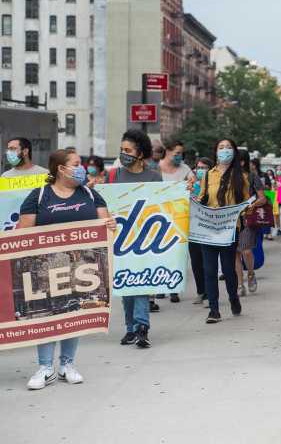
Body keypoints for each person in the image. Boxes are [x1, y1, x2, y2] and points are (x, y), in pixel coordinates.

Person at [18, 148, 116, 390]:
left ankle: (67, 365)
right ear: (61, 169)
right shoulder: (39, 196)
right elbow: (22, 232)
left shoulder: (91, 195)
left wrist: (110, 225)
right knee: (46, 314)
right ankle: (45, 368)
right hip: (44, 268)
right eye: (76, 163)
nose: (81, 167)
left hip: (82, 267)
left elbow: (106, 225)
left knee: (73, 313)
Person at [108, 129, 163, 347]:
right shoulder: (114, 176)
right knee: (126, 286)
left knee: (141, 283)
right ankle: (130, 328)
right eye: (122, 150)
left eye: (128, 150)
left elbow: (163, 205)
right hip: (121, 238)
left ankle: (142, 327)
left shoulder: (154, 177)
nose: (124, 154)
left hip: (146, 238)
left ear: (140, 153)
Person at [197, 139, 255, 323]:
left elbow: (246, 203)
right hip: (208, 229)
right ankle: (214, 309)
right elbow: (202, 198)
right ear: (215, 152)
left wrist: (248, 209)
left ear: (234, 152)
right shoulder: (207, 176)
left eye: (228, 148)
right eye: (221, 147)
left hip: (230, 230)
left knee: (229, 270)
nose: (224, 151)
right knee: (209, 270)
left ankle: (233, 298)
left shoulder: (242, 177)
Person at [158, 139, 194, 303]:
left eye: (181, 153)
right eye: (177, 153)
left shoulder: (185, 169)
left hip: (178, 217)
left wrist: (192, 185)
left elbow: (194, 184)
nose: (180, 156)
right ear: (167, 151)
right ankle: (159, 286)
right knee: (159, 252)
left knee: (176, 254)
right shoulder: (155, 168)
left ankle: (173, 287)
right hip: (158, 216)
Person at [235, 151, 266, 297]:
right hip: (231, 219)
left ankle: (251, 274)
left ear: (242, 162)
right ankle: (240, 285)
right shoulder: (227, 177)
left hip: (248, 218)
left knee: (246, 250)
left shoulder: (253, 176)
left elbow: (263, 198)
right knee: (235, 253)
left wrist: (251, 205)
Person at [190, 157, 214, 305]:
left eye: (204, 168)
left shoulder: (213, 185)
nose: (201, 170)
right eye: (199, 167)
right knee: (195, 262)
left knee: (208, 263)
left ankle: (209, 294)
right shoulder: (191, 185)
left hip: (207, 228)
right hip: (192, 228)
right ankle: (201, 291)